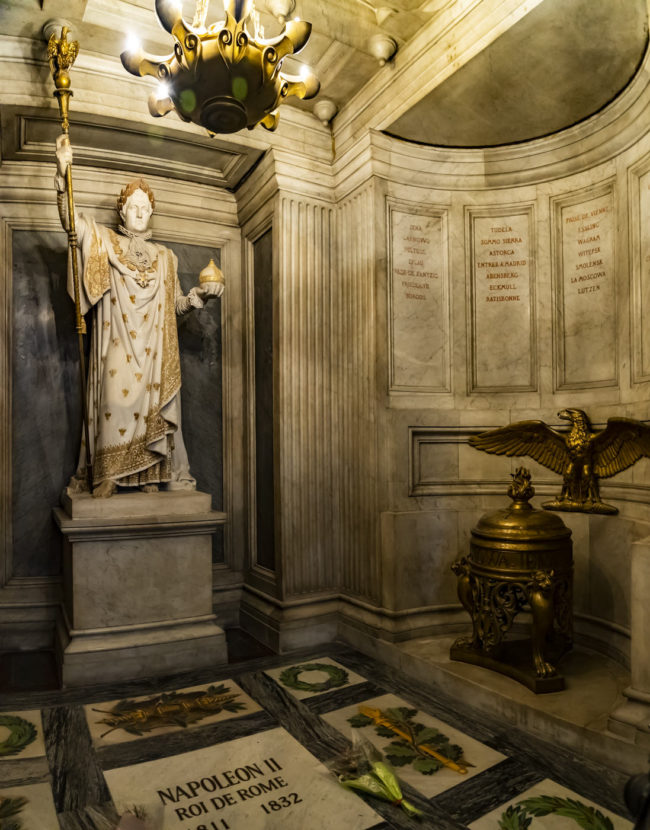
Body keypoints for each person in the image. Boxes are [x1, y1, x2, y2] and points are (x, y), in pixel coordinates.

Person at [54, 134, 224, 498]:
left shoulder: (166, 257)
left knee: (152, 414)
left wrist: (199, 297)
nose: (140, 211)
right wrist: (63, 170)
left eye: (146, 206)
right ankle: (110, 475)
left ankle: (148, 475)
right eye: (134, 205)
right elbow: (72, 225)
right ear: (122, 212)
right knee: (113, 403)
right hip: (118, 343)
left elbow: (175, 305)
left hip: (155, 353)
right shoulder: (104, 242)